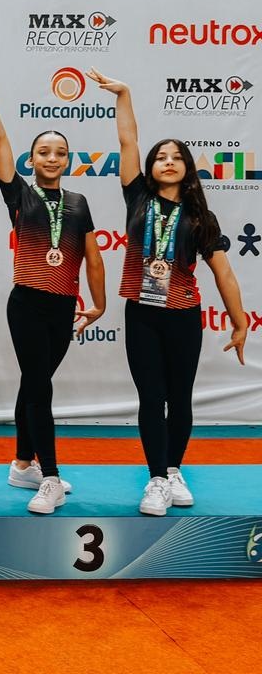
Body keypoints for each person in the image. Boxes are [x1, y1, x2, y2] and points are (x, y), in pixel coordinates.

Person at [86, 68, 247, 516]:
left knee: (180, 398)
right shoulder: (137, 197)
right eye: (161, 157)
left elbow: (224, 275)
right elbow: (128, 141)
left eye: (177, 157)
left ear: (188, 168)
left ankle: (174, 469)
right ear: (151, 168)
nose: (169, 162)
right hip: (141, 313)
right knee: (150, 398)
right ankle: (156, 479)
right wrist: (124, 94)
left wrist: (239, 323)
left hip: (183, 315)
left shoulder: (201, 218)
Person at [0, 57, 106, 515]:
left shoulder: (79, 202)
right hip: (26, 304)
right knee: (40, 387)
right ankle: (51, 476)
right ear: (32, 159)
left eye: (59, 152)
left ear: (68, 160)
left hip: (63, 307)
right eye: (43, 151)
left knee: (34, 383)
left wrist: (99, 304)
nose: (51, 158)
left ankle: (23, 464)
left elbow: (92, 256)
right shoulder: (19, 193)